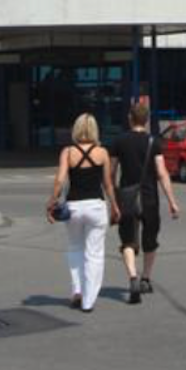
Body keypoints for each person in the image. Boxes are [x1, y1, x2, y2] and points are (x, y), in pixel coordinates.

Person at [46, 113, 120, 313]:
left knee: (75, 249)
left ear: (76, 129)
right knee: (94, 254)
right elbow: (108, 184)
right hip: (96, 206)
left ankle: (77, 291)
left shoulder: (68, 152)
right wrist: (114, 205)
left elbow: (60, 180)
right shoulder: (102, 153)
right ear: (95, 130)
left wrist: (51, 202)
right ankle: (88, 301)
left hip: (74, 207)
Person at [110, 101, 180, 305]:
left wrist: (113, 197)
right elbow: (162, 173)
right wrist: (172, 202)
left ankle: (132, 276)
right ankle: (146, 279)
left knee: (128, 240)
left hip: (127, 197)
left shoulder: (119, 141)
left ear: (130, 118)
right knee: (150, 240)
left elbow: (112, 172)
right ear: (147, 120)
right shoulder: (154, 141)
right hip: (150, 198)